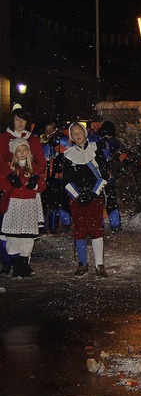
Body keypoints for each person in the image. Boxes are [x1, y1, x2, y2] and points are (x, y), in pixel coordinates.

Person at [0, 105, 48, 273]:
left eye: (23, 120)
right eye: (17, 119)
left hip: (27, 189)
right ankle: (8, 263)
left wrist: (34, 176)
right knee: (9, 229)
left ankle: (23, 263)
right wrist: (8, 176)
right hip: (10, 189)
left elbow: (41, 162)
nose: (20, 123)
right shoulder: (4, 138)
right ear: (12, 120)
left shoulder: (32, 140)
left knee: (26, 230)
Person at [62, 122, 109, 278]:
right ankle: (82, 263)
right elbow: (66, 180)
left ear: (85, 132)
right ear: (71, 137)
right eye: (73, 134)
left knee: (96, 230)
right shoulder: (68, 156)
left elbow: (104, 174)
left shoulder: (97, 150)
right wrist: (77, 195)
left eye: (79, 132)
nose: (77, 135)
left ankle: (99, 265)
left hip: (94, 198)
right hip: (77, 199)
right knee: (80, 230)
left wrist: (93, 193)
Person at [90, 121, 124, 232]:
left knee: (107, 200)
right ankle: (104, 224)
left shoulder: (109, 142)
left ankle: (111, 224)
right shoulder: (99, 140)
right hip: (100, 175)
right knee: (103, 200)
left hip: (104, 176)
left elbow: (115, 159)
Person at [40, 120, 70, 233]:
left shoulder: (60, 139)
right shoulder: (41, 140)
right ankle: (42, 226)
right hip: (43, 176)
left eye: (50, 130)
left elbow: (67, 148)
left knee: (55, 202)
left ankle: (54, 226)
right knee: (43, 202)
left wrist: (57, 143)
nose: (48, 132)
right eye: (47, 130)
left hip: (55, 176)